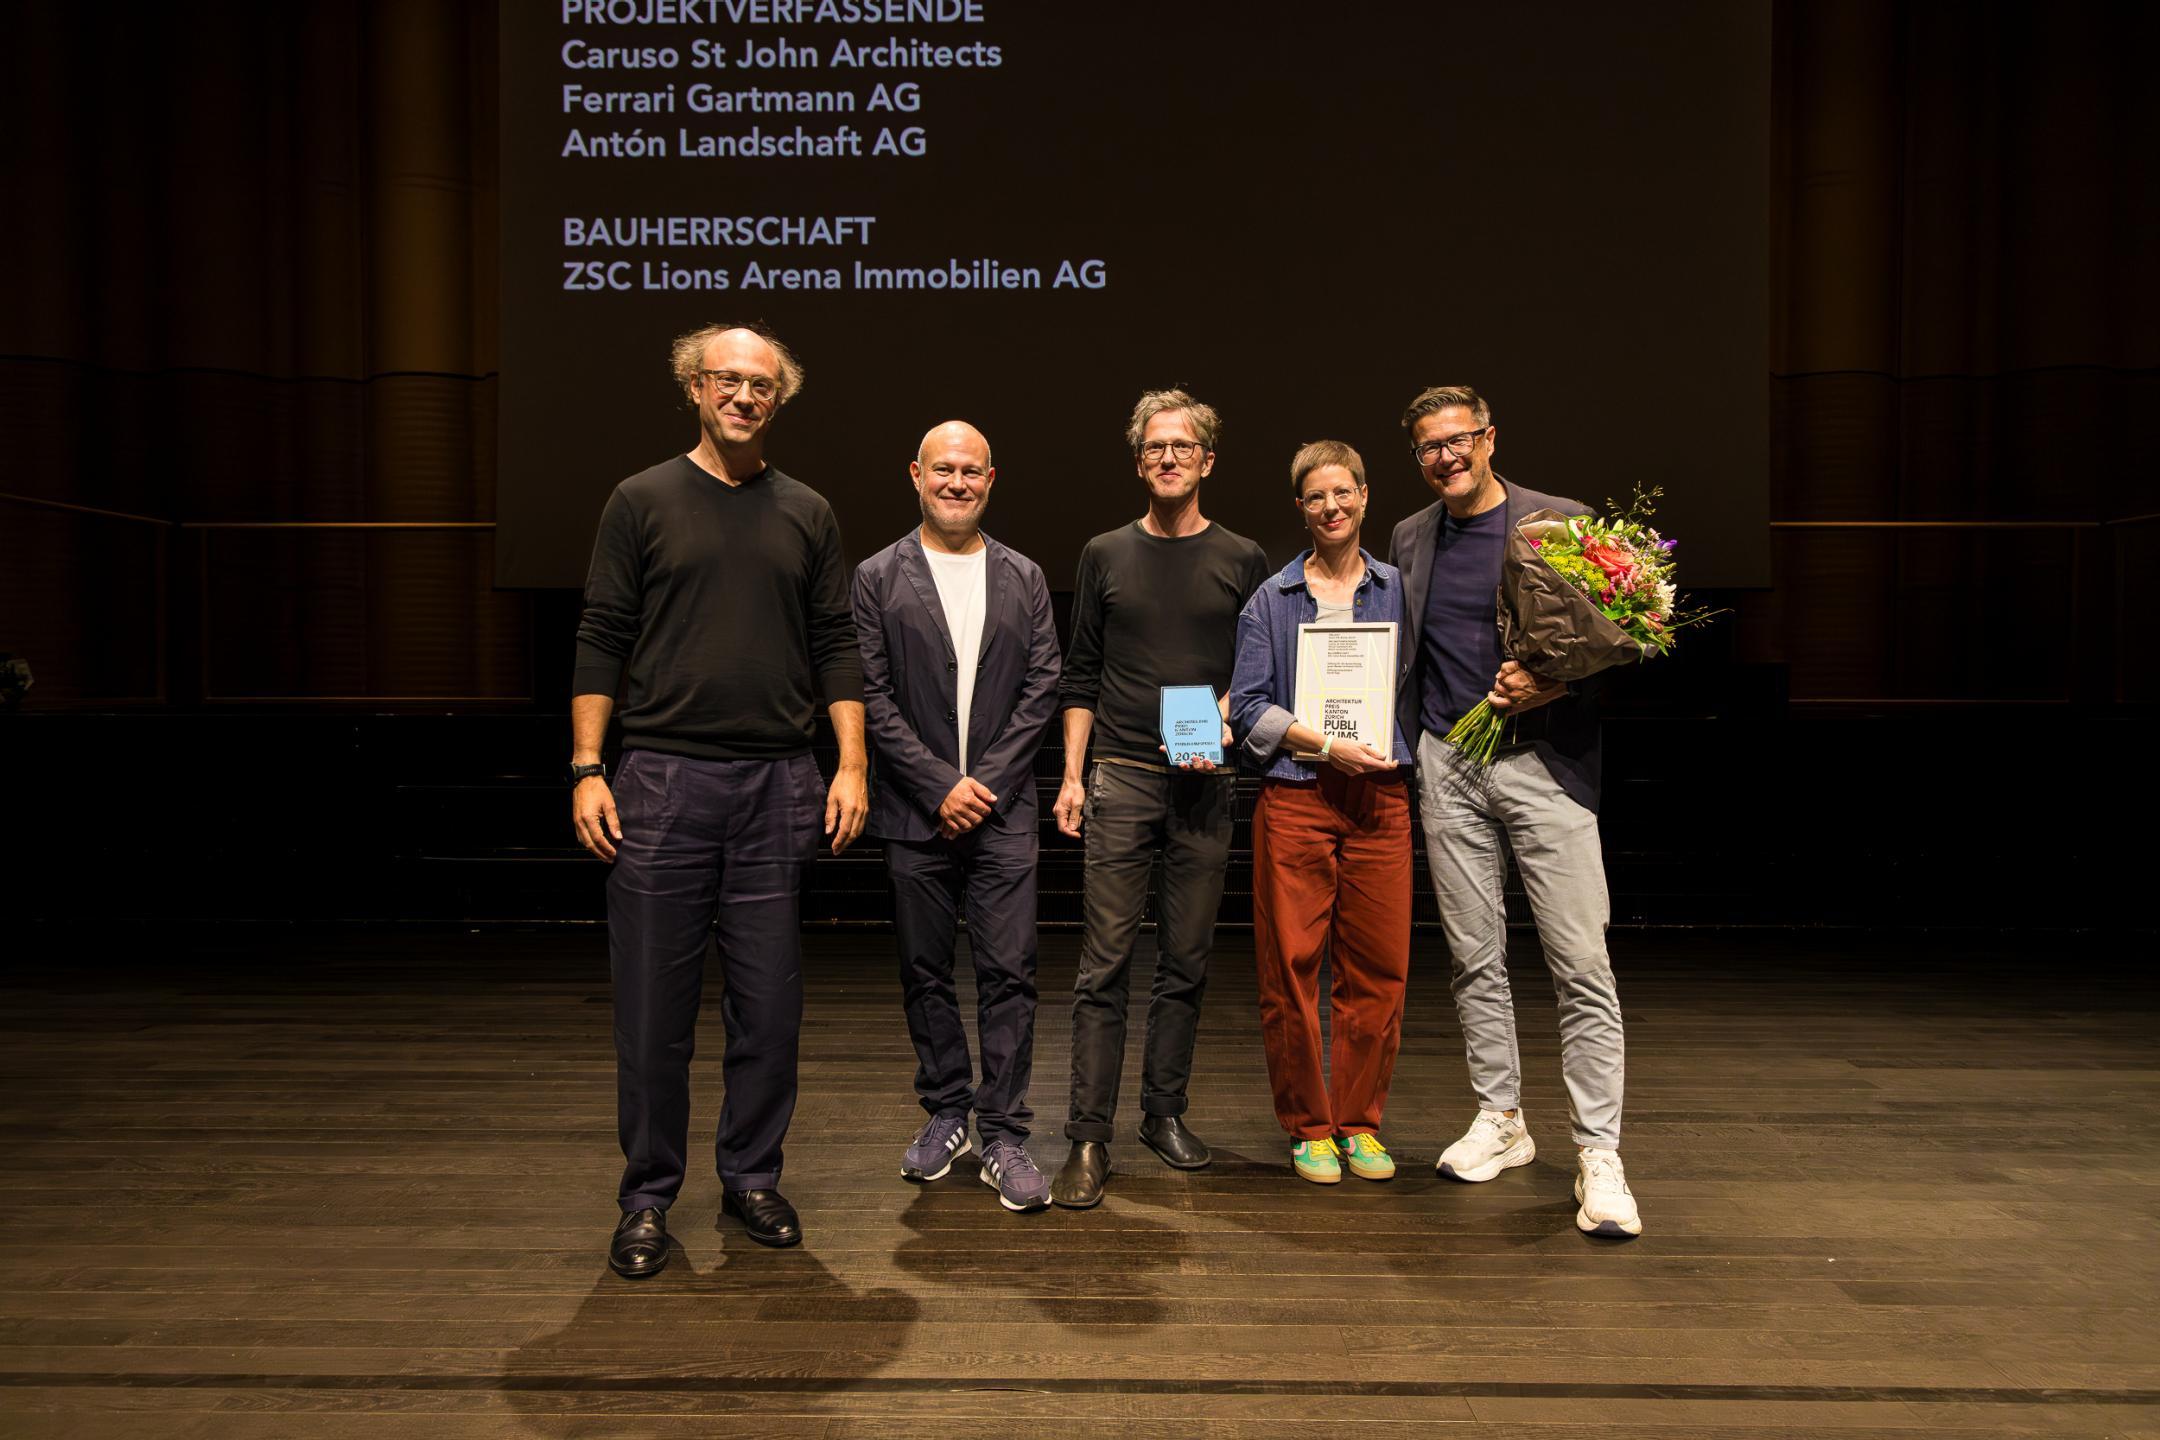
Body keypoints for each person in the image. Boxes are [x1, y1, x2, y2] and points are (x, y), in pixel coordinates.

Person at [571, 323, 869, 1275]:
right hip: (660, 780)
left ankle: (750, 1177)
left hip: (781, 781)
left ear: (779, 400)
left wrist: (851, 764)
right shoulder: (640, 499)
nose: (744, 395)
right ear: (694, 388)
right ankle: (648, 1198)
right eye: (727, 380)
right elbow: (603, 632)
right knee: (653, 1013)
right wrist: (586, 767)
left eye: (762, 385)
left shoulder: (808, 511)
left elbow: (835, 643)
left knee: (769, 1008)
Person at [1388, 384, 1640, 1237]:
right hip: (1448, 761)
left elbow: (1618, 642)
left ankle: (1599, 1154)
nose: (1445, 458)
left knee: (1581, 965)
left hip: (1545, 767)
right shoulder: (1410, 536)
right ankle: (1503, 1117)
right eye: (1428, 447)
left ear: (1490, 439)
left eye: (1458, 440)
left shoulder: (1559, 524)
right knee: (1473, 956)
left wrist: (1553, 680)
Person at [1048, 389, 1272, 1209]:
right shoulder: (1104, 553)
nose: (1168, 459)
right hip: (1123, 774)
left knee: (1186, 960)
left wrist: (1220, 715)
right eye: (1154, 448)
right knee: (1102, 965)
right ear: (1139, 461)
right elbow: (1080, 675)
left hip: (1205, 782)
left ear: (1207, 461)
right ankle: (1087, 1137)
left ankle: (1163, 1113)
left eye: (1182, 447)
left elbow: (1257, 673)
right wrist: (1073, 775)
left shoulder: (1243, 557)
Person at [853, 421, 1062, 1213]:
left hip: (1003, 816)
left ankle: (1005, 1130)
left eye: (971, 471)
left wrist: (986, 784)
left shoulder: (1025, 576)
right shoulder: (876, 576)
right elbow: (871, 694)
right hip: (915, 814)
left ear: (990, 479)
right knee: (925, 973)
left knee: (1011, 974)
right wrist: (941, 783)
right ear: (915, 473)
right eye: (943, 469)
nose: (956, 482)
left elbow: (1044, 683)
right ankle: (948, 1111)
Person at [1227, 441, 1415, 1184]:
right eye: (1315, 497)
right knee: (1292, 969)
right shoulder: (1270, 601)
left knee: (1379, 969)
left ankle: (1361, 1123)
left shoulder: (1401, 589)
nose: (1331, 508)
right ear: (1299, 508)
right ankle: (1309, 1124)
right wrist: (1326, 746)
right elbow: (1247, 709)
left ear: (1366, 496)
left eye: (1343, 493)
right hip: (1297, 794)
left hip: (1381, 799)